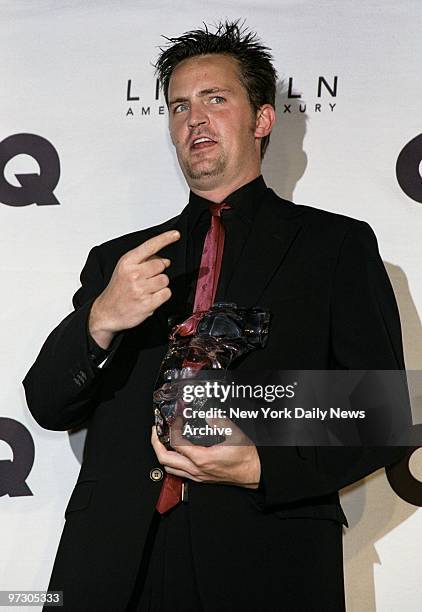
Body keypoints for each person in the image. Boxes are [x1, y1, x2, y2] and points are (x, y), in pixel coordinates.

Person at [23, 20, 410, 612]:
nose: (193, 118)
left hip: (266, 555)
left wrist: (264, 466)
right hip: (113, 564)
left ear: (261, 120)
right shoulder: (120, 261)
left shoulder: (335, 247)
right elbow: (49, 404)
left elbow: (378, 413)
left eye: (215, 98)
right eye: (179, 106)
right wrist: (101, 317)